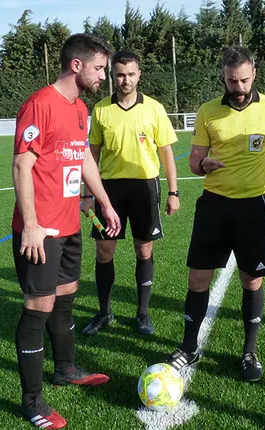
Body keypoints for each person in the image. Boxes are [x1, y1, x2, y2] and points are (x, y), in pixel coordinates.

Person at [163, 46, 265, 382]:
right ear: (223, 77)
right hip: (214, 205)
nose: (237, 87)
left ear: (254, 74)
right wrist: (201, 165)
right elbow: (194, 161)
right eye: (231, 80)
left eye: (243, 80)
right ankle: (188, 347)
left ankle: (249, 351)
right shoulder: (208, 111)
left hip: (254, 206)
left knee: (251, 280)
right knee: (197, 279)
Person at [11, 33, 121, 430]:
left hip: (70, 224)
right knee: (37, 308)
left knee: (65, 298)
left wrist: (105, 202)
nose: (102, 77)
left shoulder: (79, 108)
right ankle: (33, 400)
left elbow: (83, 161)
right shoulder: (40, 104)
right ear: (76, 65)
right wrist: (32, 225)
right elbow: (22, 165)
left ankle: (67, 369)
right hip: (41, 231)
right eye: (98, 68)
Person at [80, 51, 180, 337]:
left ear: (139, 75)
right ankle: (104, 312)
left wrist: (174, 191)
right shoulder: (100, 109)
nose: (125, 80)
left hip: (145, 187)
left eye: (131, 74)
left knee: (144, 249)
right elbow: (92, 155)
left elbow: (167, 153)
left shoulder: (155, 109)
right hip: (108, 190)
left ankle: (142, 313)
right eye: (120, 74)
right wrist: (89, 194)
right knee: (104, 251)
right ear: (113, 75)